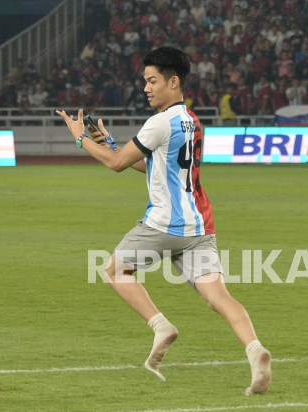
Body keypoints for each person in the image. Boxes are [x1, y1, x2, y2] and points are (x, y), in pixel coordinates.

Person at [56, 47, 271, 395]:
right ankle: (255, 350)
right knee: (218, 296)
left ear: (174, 82)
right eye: (145, 81)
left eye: (152, 80)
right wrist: (110, 142)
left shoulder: (158, 122)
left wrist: (80, 138)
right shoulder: (192, 120)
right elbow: (156, 165)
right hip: (199, 227)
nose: (146, 88)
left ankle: (160, 326)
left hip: (162, 226)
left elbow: (116, 164)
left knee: (114, 271)